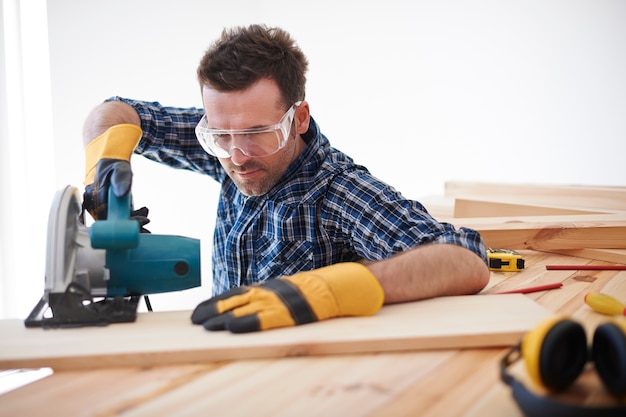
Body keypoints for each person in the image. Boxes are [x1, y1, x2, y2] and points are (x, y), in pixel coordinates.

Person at [82, 24, 490, 333]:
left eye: (257, 133)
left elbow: (465, 259)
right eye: (220, 135)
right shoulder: (230, 145)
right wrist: (103, 166)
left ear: (298, 118)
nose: (237, 156)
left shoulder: (339, 192)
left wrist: (329, 290)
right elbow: (115, 111)